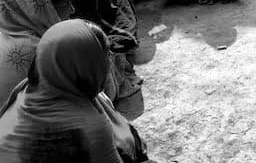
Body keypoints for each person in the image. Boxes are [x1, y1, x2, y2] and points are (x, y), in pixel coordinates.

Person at [0, 19, 150, 163]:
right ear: (86, 64)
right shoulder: (89, 126)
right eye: (105, 54)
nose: (110, 58)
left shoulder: (25, 88)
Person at [27, 0, 143, 111]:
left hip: (98, 28)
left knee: (123, 2)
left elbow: (106, 7)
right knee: (107, 66)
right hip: (84, 44)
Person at [0, 0, 73, 104]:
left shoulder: (5, 34)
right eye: (66, 3)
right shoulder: (45, 52)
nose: (72, 10)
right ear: (46, 9)